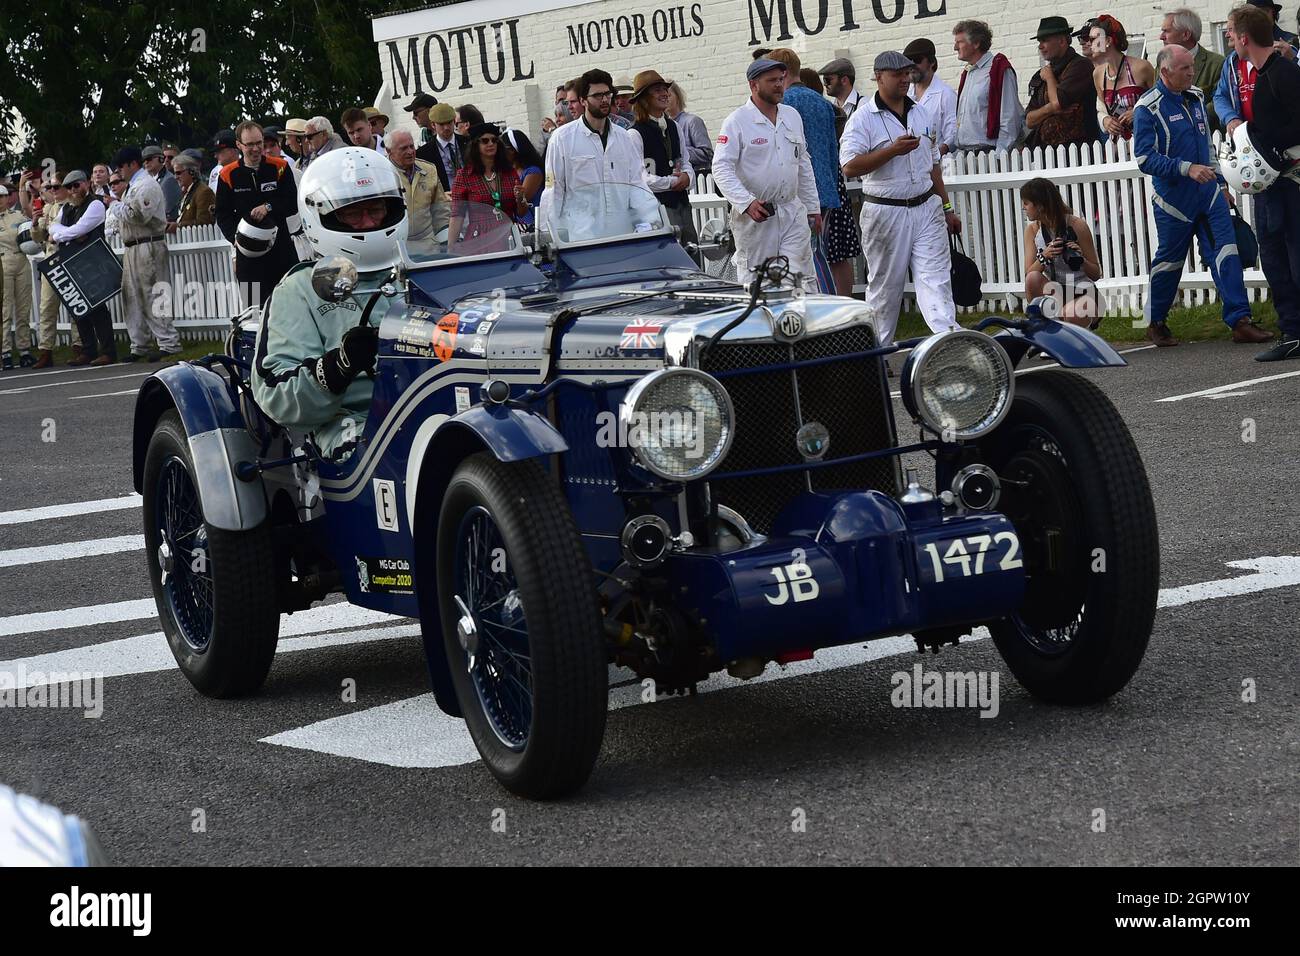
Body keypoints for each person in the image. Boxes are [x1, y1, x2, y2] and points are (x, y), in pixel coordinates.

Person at [252, 148, 408, 462]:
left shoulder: (422, 269)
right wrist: (339, 366)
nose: (367, 223)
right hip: (353, 422)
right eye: (352, 213)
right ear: (320, 215)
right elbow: (275, 394)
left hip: (436, 405)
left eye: (376, 209)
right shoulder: (301, 287)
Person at [1135, 45, 1269, 347]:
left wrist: (1221, 184)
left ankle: (1240, 320)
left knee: (1227, 252)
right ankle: (1155, 321)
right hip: (1173, 202)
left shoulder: (1195, 96)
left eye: (1192, 67)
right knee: (1169, 262)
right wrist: (1185, 169)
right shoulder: (1147, 107)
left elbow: (1207, 145)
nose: (1192, 72)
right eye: (1185, 69)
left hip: (1208, 194)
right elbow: (1144, 159)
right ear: (1166, 71)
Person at [841, 51, 963, 346]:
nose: (905, 80)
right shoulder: (862, 119)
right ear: (878, 77)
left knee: (936, 280)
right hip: (885, 211)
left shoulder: (921, 112)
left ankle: (949, 341)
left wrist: (946, 207)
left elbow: (933, 165)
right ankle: (877, 354)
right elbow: (849, 166)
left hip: (926, 206)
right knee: (885, 288)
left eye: (907, 73)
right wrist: (892, 151)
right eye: (897, 75)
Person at [713, 58, 822, 291]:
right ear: (754, 85)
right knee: (760, 285)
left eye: (781, 80)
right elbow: (720, 168)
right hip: (757, 216)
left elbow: (802, 162)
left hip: (792, 212)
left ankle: (799, 326)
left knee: (799, 281)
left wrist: (813, 208)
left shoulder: (792, 116)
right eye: (771, 80)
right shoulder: (737, 121)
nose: (779, 85)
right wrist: (746, 202)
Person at [1231, 5, 1300, 360]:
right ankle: (1292, 331)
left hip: (1290, 183)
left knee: (1293, 256)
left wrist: (1269, 142)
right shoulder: (1262, 73)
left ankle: (1295, 329)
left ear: (1244, 37)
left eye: (1230, 32)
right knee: (1273, 258)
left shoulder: (1283, 73)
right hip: (1271, 184)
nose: (1229, 38)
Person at [540, 69, 648, 236]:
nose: (604, 99)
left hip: (623, 235)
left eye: (607, 94)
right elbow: (554, 190)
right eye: (597, 96)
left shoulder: (624, 138)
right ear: (583, 100)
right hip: (582, 239)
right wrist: (548, 236)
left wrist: (644, 226)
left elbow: (637, 184)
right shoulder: (561, 139)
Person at [215, 120, 300, 313]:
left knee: (292, 306)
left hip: (281, 250)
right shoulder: (227, 174)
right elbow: (222, 213)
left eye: (259, 143)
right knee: (255, 311)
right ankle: (256, 342)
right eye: (249, 144)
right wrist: (236, 239)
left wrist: (269, 207)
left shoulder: (280, 167)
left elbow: (292, 203)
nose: (256, 149)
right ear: (238, 145)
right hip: (248, 254)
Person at [113, 147, 180, 361]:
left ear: (133, 164)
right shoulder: (132, 187)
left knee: (153, 293)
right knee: (131, 296)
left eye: (121, 167)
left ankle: (168, 342)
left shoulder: (147, 185)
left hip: (148, 244)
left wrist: (113, 206)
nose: (120, 172)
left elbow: (139, 216)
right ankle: (138, 344)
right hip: (132, 245)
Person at [48, 170, 117, 366]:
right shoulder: (67, 208)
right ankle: (88, 350)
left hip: (93, 260)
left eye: (76, 186)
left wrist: (63, 234)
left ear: (86, 184)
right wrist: (68, 234)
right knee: (78, 306)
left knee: (97, 307)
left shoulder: (95, 204)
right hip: (73, 261)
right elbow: (54, 227)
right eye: (68, 187)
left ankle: (108, 351)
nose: (72, 190)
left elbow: (79, 229)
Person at [627, 69, 696, 245]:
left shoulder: (674, 127)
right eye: (657, 90)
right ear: (644, 98)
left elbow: (684, 159)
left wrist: (688, 176)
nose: (665, 93)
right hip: (655, 210)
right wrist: (672, 182)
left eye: (665, 89)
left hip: (682, 204)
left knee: (692, 253)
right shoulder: (635, 134)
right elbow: (639, 178)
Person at [20, 172, 83, 365]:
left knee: (75, 305)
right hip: (52, 259)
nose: (52, 191)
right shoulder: (49, 208)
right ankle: (45, 350)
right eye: (50, 188)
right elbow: (39, 238)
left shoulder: (75, 206)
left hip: (71, 258)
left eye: (56, 187)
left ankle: (79, 347)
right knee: (47, 306)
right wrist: (34, 223)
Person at [1020, 178, 1102, 326]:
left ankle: (1077, 332)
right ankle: (1042, 326)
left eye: (1026, 203)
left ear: (1040, 205)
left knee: (1069, 314)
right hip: (1056, 291)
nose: (1023, 207)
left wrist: (1081, 259)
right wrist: (1044, 256)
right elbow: (1029, 274)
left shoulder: (1077, 225)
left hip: (1084, 293)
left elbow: (1096, 274)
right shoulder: (1032, 230)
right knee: (1032, 278)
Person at [1023, 17, 1102, 148]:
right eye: (1039, 42)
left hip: (1078, 149)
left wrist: (1049, 79)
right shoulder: (1041, 75)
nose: (1040, 46)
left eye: (1045, 41)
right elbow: (1029, 120)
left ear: (1061, 41)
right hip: (1044, 152)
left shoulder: (1080, 66)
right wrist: (1051, 109)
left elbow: (1058, 102)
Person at [449, 123, 525, 252]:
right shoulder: (464, 175)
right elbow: (457, 215)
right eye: (485, 141)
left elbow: (520, 212)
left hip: (508, 235)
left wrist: (520, 199)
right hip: (479, 238)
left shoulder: (509, 172)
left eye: (494, 140)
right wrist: (450, 249)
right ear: (475, 145)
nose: (490, 144)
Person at [953, 20, 1025, 152]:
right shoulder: (968, 73)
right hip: (966, 155)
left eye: (960, 42)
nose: (955, 47)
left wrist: (999, 155)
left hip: (988, 154)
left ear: (976, 43)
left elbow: (1009, 117)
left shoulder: (998, 69)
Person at [1089, 16, 1157, 141]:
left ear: (1108, 41)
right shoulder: (1098, 74)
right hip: (1118, 148)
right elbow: (1101, 108)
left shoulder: (1141, 67)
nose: (1089, 43)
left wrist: (1139, 112)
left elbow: (1162, 101)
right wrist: (1105, 120)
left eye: (1093, 39)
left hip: (1147, 141)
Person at [1161, 8, 1227, 131]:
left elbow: (1219, 103)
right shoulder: (1162, 67)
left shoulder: (1217, 64)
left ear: (1186, 35)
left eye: (1166, 31)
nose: (1161, 37)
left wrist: (1185, 119)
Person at [386, 129, 449, 255]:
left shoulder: (429, 169)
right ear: (389, 151)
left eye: (411, 146)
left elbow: (441, 211)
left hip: (429, 245)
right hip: (395, 247)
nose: (410, 152)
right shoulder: (381, 174)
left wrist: (447, 243)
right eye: (403, 148)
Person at [0, 185, 35, 368]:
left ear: (8, 198)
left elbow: (29, 230)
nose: (0, 200)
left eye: (3, 196)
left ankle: (24, 350)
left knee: (23, 307)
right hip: (3, 263)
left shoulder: (17, 216)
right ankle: (5, 352)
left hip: (21, 260)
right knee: (5, 309)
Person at [905, 38, 957, 155]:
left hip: (940, 165)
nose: (912, 65)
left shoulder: (946, 94)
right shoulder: (905, 95)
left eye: (917, 60)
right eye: (908, 61)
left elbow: (953, 135)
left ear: (932, 62)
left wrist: (936, 154)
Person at [502, 128, 545, 230]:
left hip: (531, 224)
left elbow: (522, 202)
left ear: (512, 150)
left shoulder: (533, 172)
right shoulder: (507, 171)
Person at [417, 103, 466, 191]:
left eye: (449, 122)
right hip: (444, 200)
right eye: (441, 124)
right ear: (433, 125)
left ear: (454, 121)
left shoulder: (468, 142)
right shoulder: (423, 153)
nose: (446, 127)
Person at [666, 82, 713, 171]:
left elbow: (707, 154)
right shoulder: (663, 126)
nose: (666, 99)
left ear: (678, 97)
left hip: (697, 179)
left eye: (669, 95)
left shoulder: (693, 121)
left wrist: (679, 152)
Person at [169, 153, 215, 231]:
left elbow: (205, 222)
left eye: (178, 173)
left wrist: (178, 226)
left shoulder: (204, 192)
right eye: (174, 173)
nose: (176, 177)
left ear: (191, 172)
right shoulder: (187, 192)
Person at [143, 145, 182, 222]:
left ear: (161, 159)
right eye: (144, 160)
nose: (146, 162)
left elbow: (166, 210)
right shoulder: (148, 180)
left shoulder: (169, 180)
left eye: (149, 158)